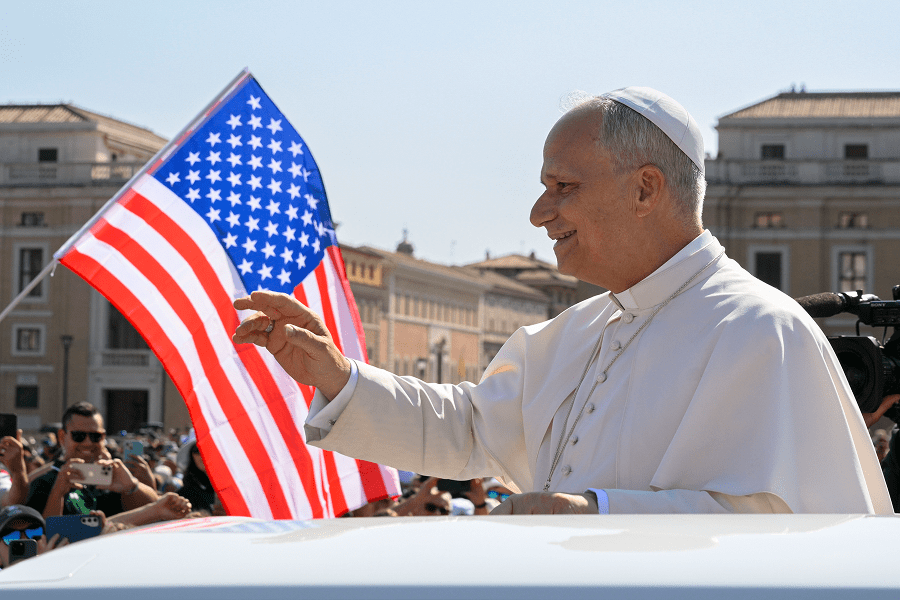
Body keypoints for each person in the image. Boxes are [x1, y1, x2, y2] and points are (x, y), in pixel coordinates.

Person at [233, 87, 892, 515]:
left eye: (562, 186)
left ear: (645, 189)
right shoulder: (577, 330)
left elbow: (792, 531)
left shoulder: (762, 331)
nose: (539, 212)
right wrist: (338, 375)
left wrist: (600, 513)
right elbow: (466, 429)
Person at [25, 402, 158, 518]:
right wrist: (57, 493)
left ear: (103, 437)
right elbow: (40, 535)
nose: (88, 443)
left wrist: (132, 486)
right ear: (62, 436)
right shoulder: (45, 481)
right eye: (79, 436)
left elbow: (155, 512)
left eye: (95, 436)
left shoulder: (115, 475)